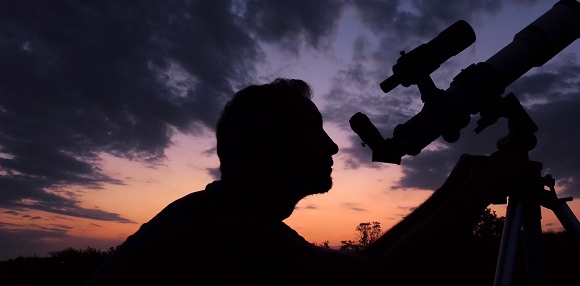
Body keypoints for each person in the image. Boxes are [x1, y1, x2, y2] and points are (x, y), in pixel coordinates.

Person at [85, 78, 532, 285]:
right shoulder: (222, 229)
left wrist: (455, 189)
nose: (333, 148)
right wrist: (475, 195)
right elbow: (383, 283)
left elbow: (360, 271)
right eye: (314, 132)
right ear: (270, 146)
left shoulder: (234, 215)